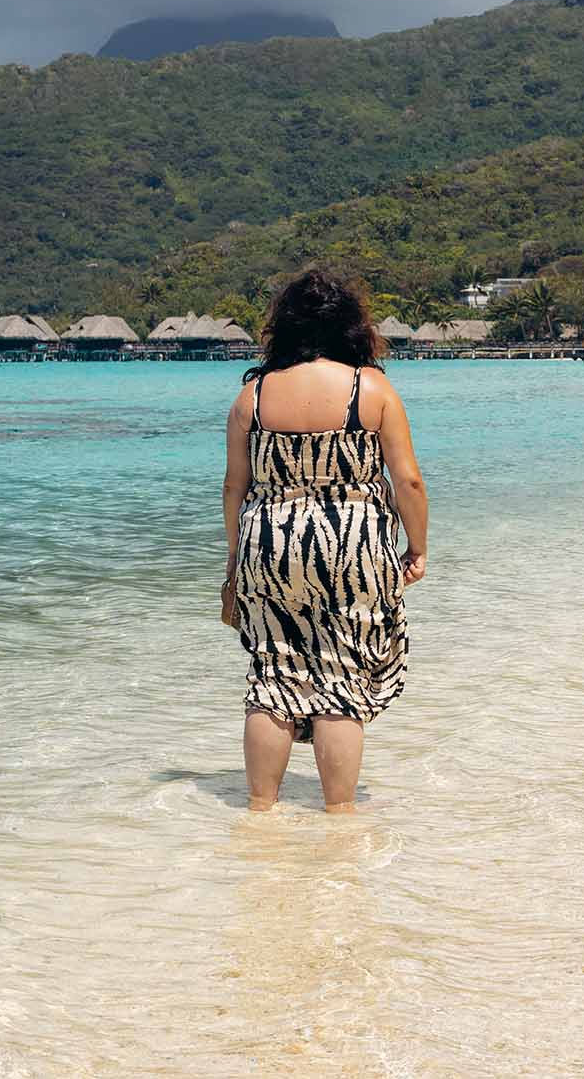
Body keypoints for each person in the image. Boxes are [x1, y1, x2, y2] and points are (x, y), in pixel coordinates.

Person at [221, 270, 428, 814]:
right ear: (352, 326)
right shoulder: (372, 389)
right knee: (340, 675)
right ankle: (339, 814)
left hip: (268, 538)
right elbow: (407, 479)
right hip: (350, 540)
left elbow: (234, 489)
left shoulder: (253, 396)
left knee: (273, 673)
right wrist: (417, 547)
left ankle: (260, 811)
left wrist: (233, 568)